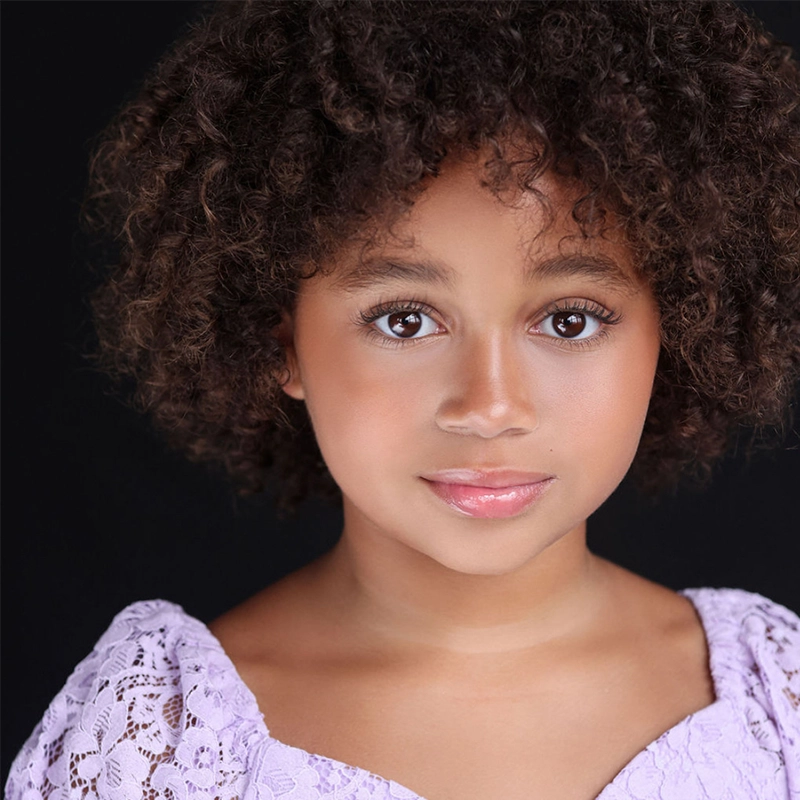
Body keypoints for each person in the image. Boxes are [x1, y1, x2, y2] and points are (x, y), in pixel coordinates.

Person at [6, 1, 800, 798]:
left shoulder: (779, 699)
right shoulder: (158, 743)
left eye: (569, 319)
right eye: (406, 319)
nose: (491, 406)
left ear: (682, 326)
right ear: (280, 340)